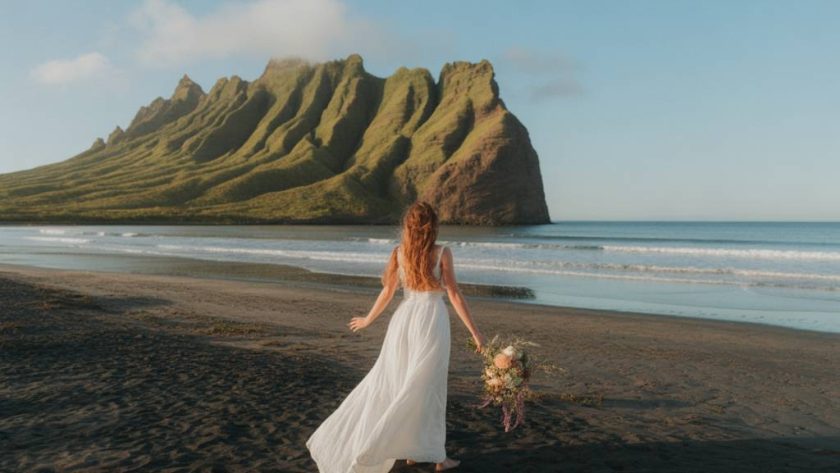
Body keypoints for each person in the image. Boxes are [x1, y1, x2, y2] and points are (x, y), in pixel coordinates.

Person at [306, 201, 485, 472]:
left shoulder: (399, 253)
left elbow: (388, 292)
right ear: (432, 226)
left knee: (402, 382)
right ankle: (438, 458)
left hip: (404, 320)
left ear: (408, 227)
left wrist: (368, 319)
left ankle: (412, 451)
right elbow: (454, 294)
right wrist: (476, 333)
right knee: (428, 386)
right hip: (430, 321)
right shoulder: (442, 252)